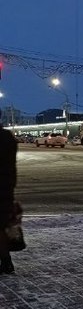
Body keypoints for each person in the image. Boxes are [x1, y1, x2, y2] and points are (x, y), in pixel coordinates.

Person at [0, 110, 18, 274]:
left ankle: (6, 262)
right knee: (2, 227)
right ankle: (6, 262)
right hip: (6, 188)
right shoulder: (8, 137)